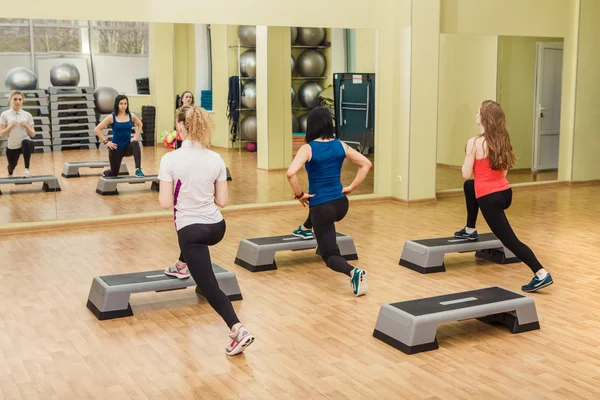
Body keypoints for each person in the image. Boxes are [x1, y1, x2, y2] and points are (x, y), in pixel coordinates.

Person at [158, 104, 254, 356]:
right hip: (217, 227)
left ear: (179, 127)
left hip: (191, 232)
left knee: (209, 285)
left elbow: (165, 203)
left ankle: (237, 329)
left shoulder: (169, 159)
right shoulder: (216, 158)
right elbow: (222, 201)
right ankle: (181, 264)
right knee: (192, 244)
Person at [455, 100, 553, 293]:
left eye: (477, 111)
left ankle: (540, 272)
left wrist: (470, 157)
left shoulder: (474, 143)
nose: (475, 114)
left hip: (489, 198)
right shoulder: (502, 140)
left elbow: (466, 173)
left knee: (510, 241)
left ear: (483, 118)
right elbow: (503, 173)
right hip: (505, 193)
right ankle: (470, 228)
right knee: (469, 186)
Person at [286, 106, 372, 296]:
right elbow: (366, 164)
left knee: (329, 255)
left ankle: (353, 272)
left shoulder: (307, 148)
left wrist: (299, 195)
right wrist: (351, 187)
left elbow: (291, 173)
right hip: (341, 204)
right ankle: (306, 227)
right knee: (316, 201)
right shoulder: (340, 145)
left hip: (323, 209)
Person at [94, 95, 145, 177]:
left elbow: (140, 124)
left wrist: (135, 137)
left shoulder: (131, 116)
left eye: (125, 103)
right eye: (121, 103)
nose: (123, 106)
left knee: (135, 143)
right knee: (113, 174)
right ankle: (106, 172)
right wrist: (106, 142)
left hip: (127, 146)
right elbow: (97, 129)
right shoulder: (112, 117)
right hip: (116, 148)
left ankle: (138, 169)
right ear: (117, 104)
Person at [0, 90, 36, 177]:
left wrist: (26, 126)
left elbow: (33, 134)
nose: (17, 102)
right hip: (13, 145)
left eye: (20, 99)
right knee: (12, 165)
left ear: (22, 101)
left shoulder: (28, 115)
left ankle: (27, 169)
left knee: (26, 141)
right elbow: (2, 134)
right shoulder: (4, 115)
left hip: (25, 143)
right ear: (10, 100)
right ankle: (10, 170)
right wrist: (10, 126)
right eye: (15, 99)